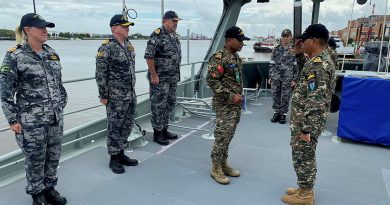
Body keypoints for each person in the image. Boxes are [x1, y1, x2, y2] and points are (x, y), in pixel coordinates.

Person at [0, 13, 67, 205]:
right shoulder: (15, 55)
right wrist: (13, 120)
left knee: (53, 156)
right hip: (31, 122)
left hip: (55, 118)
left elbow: (59, 85)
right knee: (35, 159)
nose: (46, 30)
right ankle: (37, 194)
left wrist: (61, 103)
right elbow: (5, 92)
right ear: (27, 30)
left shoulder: (52, 54)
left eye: (47, 27)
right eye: (41, 27)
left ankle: (49, 188)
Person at [281, 24, 336, 205]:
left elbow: (315, 99)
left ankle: (305, 195)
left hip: (306, 122)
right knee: (304, 156)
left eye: (304, 40)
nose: (301, 42)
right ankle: (304, 188)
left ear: (313, 41)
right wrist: (298, 54)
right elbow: (308, 77)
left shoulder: (318, 66)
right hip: (306, 119)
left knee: (303, 156)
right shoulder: (319, 60)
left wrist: (306, 128)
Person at [96, 14, 138, 174]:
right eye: (124, 26)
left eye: (128, 26)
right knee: (115, 127)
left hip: (130, 95)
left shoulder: (128, 45)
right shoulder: (106, 47)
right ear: (114, 28)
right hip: (115, 97)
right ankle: (113, 158)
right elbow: (100, 74)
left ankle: (121, 153)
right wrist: (103, 96)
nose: (128, 28)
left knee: (127, 126)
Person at [207, 26, 250, 185]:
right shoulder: (219, 58)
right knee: (222, 136)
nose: (242, 44)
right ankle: (215, 167)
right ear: (229, 40)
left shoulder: (236, 57)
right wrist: (231, 96)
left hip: (235, 105)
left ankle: (223, 163)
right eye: (240, 41)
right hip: (224, 104)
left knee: (229, 136)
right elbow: (212, 81)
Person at [144, 10, 182, 145]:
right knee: (158, 105)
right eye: (174, 21)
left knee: (169, 103)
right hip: (160, 79)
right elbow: (149, 56)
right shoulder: (157, 35)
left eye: (177, 22)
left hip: (172, 78)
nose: (176, 24)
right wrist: (154, 75)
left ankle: (165, 129)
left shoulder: (174, 36)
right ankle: (157, 133)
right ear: (166, 20)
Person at [268, 29, 299, 124]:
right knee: (275, 95)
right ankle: (276, 112)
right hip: (276, 76)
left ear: (290, 37)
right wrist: (270, 77)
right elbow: (271, 63)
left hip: (288, 77)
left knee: (285, 96)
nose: (285, 38)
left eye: (287, 36)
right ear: (281, 37)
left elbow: (296, 66)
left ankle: (283, 114)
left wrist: (294, 79)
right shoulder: (276, 49)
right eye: (284, 36)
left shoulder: (294, 50)